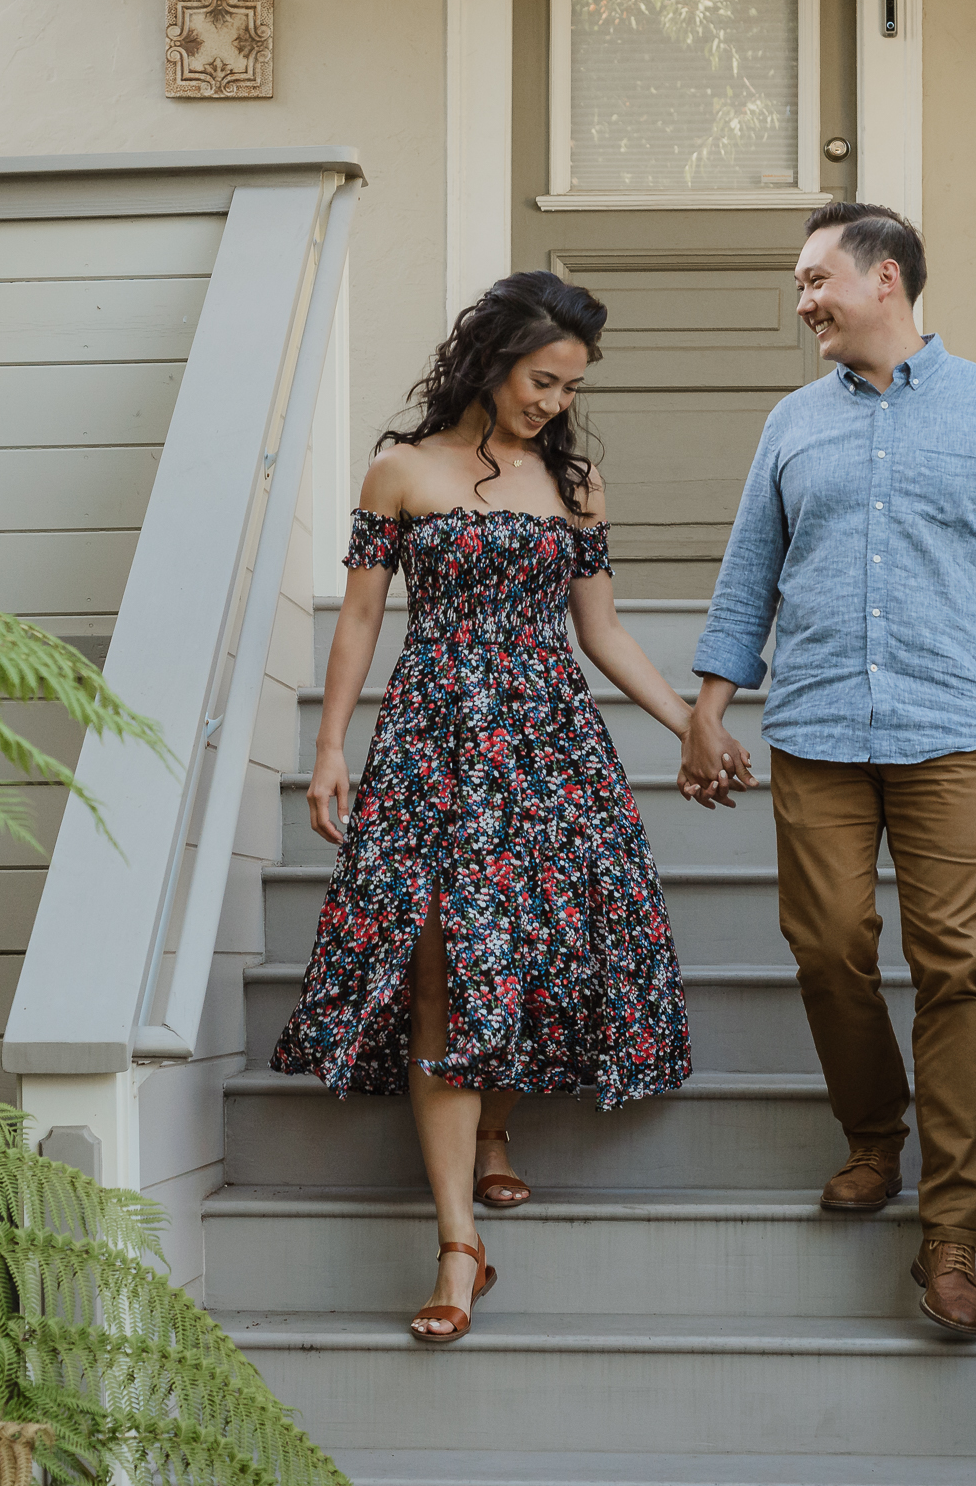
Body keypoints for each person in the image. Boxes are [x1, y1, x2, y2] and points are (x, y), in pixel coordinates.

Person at [678, 202, 976, 1340]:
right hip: (813, 727)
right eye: (802, 281)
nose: (803, 298)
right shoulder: (791, 424)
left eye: (817, 278)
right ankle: (874, 1135)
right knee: (825, 946)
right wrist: (706, 711)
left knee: (954, 969)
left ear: (886, 280)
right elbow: (744, 577)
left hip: (949, 733)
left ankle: (951, 1238)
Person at [271, 271, 694, 1345]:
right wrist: (329, 750)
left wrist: (689, 721)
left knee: (541, 950)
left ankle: (495, 1130)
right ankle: (459, 1244)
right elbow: (361, 620)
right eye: (541, 379)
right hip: (431, 740)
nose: (552, 402)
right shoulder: (398, 473)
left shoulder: (577, 484)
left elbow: (602, 632)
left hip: (549, 738)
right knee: (442, 967)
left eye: (568, 387)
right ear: (493, 358)